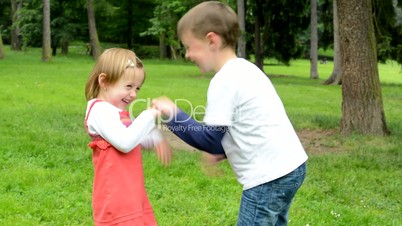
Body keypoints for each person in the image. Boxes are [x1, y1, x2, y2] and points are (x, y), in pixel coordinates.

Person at [152, 1, 308, 226]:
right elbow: (246, 125)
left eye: (189, 46)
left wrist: (173, 114)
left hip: (267, 177)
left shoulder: (224, 80)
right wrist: (222, 152)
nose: (187, 54)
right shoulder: (246, 69)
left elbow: (211, 140)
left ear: (211, 40)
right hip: (291, 167)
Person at [84, 48, 172, 226]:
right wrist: (149, 114)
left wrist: (155, 139)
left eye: (137, 88)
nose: (134, 94)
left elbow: (136, 137)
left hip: (131, 193)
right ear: (104, 81)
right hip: (115, 197)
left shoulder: (119, 112)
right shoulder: (99, 111)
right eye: (128, 87)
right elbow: (125, 142)